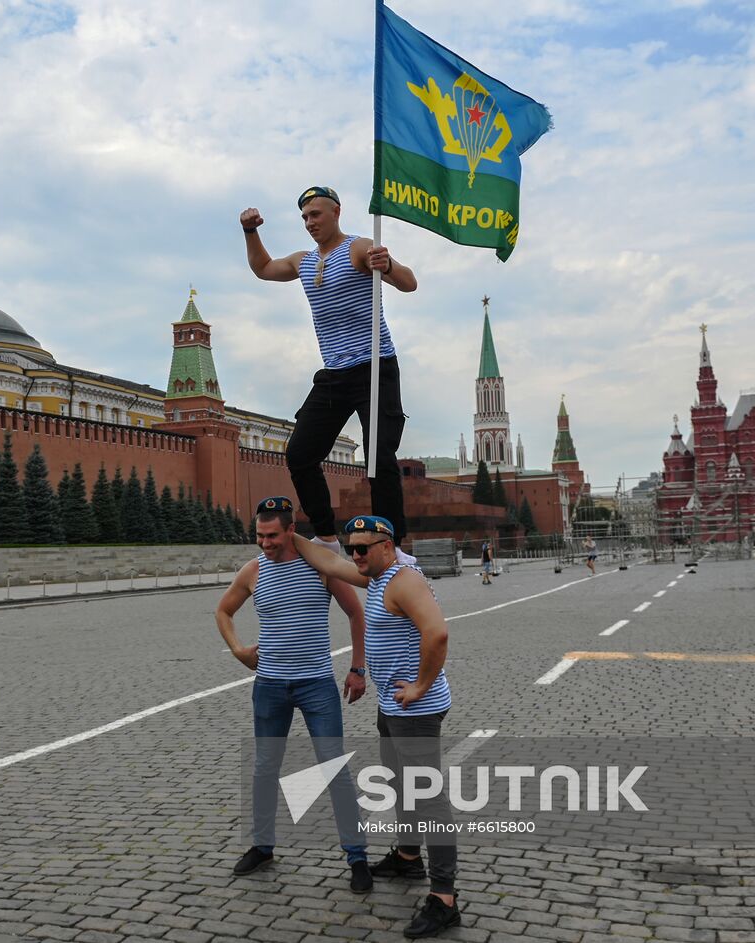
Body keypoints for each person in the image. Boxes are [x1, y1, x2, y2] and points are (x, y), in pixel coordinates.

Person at [294, 518, 461, 939]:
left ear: (387, 546)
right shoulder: (378, 575)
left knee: (428, 796)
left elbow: (437, 633)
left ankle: (444, 899)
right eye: (353, 548)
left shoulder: (403, 581)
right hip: (393, 707)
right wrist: (283, 532)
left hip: (415, 710)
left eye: (364, 548)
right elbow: (327, 563)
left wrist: (421, 685)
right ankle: (407, 857)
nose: (356, 555)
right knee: (401, 785)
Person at [240, 187, 418, 563]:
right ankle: (326, 536)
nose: (310, 223)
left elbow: (408, 282)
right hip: (335, 374)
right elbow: (263, 269)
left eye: (316, 215)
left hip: (375, 367)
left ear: (336, 212)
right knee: (301, 454)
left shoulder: (359, 248)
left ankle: (393, 545)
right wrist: (250, 231)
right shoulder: (302, 261)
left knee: (378, 459)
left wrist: (387, 266)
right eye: (305, 217)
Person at [215, 496, 372, 893]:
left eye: (272, 535)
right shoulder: (253, 571)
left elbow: (356, 612)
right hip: (269, 686)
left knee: (333, 769)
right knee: (265, 769)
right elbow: (223, 611)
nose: (265, 543)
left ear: (289, 531)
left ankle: (357, 858)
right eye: (259, 536)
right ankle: (262, 846)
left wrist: (357, 668)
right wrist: (237, 649)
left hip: (316, 683)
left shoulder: (319, 566)